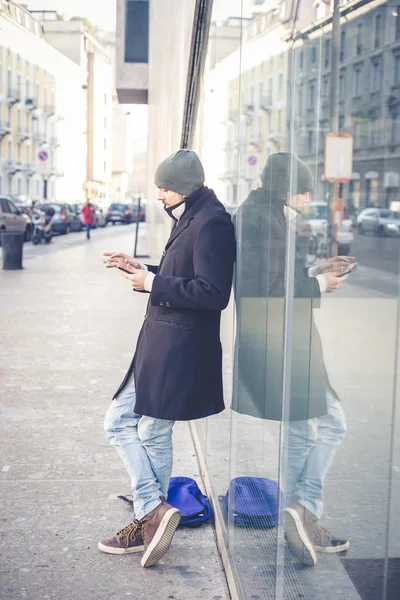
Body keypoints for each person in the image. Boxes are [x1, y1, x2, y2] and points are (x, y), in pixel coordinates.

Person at [99, 150, 236, 568]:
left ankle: (149, 515)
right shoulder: (193, 215)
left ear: (184, 186)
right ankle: (151, 516)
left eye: (163, 186)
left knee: (127, 424)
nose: (158, 194)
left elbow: (214, 293)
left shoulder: (212, 221)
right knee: (136, 426)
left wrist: (153, 282)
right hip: (161, 344)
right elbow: (185, 272)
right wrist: (143, 270)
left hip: (178, 351)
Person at [233, 152, 350, 567]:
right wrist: (318, 284)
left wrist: (315, 269)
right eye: (302, 190)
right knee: (331, 423)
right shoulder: (264, 219)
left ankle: (300, 514)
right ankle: (303, 512)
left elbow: (273, 277)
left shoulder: (262, 213)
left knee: (307, 429)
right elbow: (265, 290)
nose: (305, 198)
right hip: (283, 342)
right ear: (286, 188)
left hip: (283, 340)